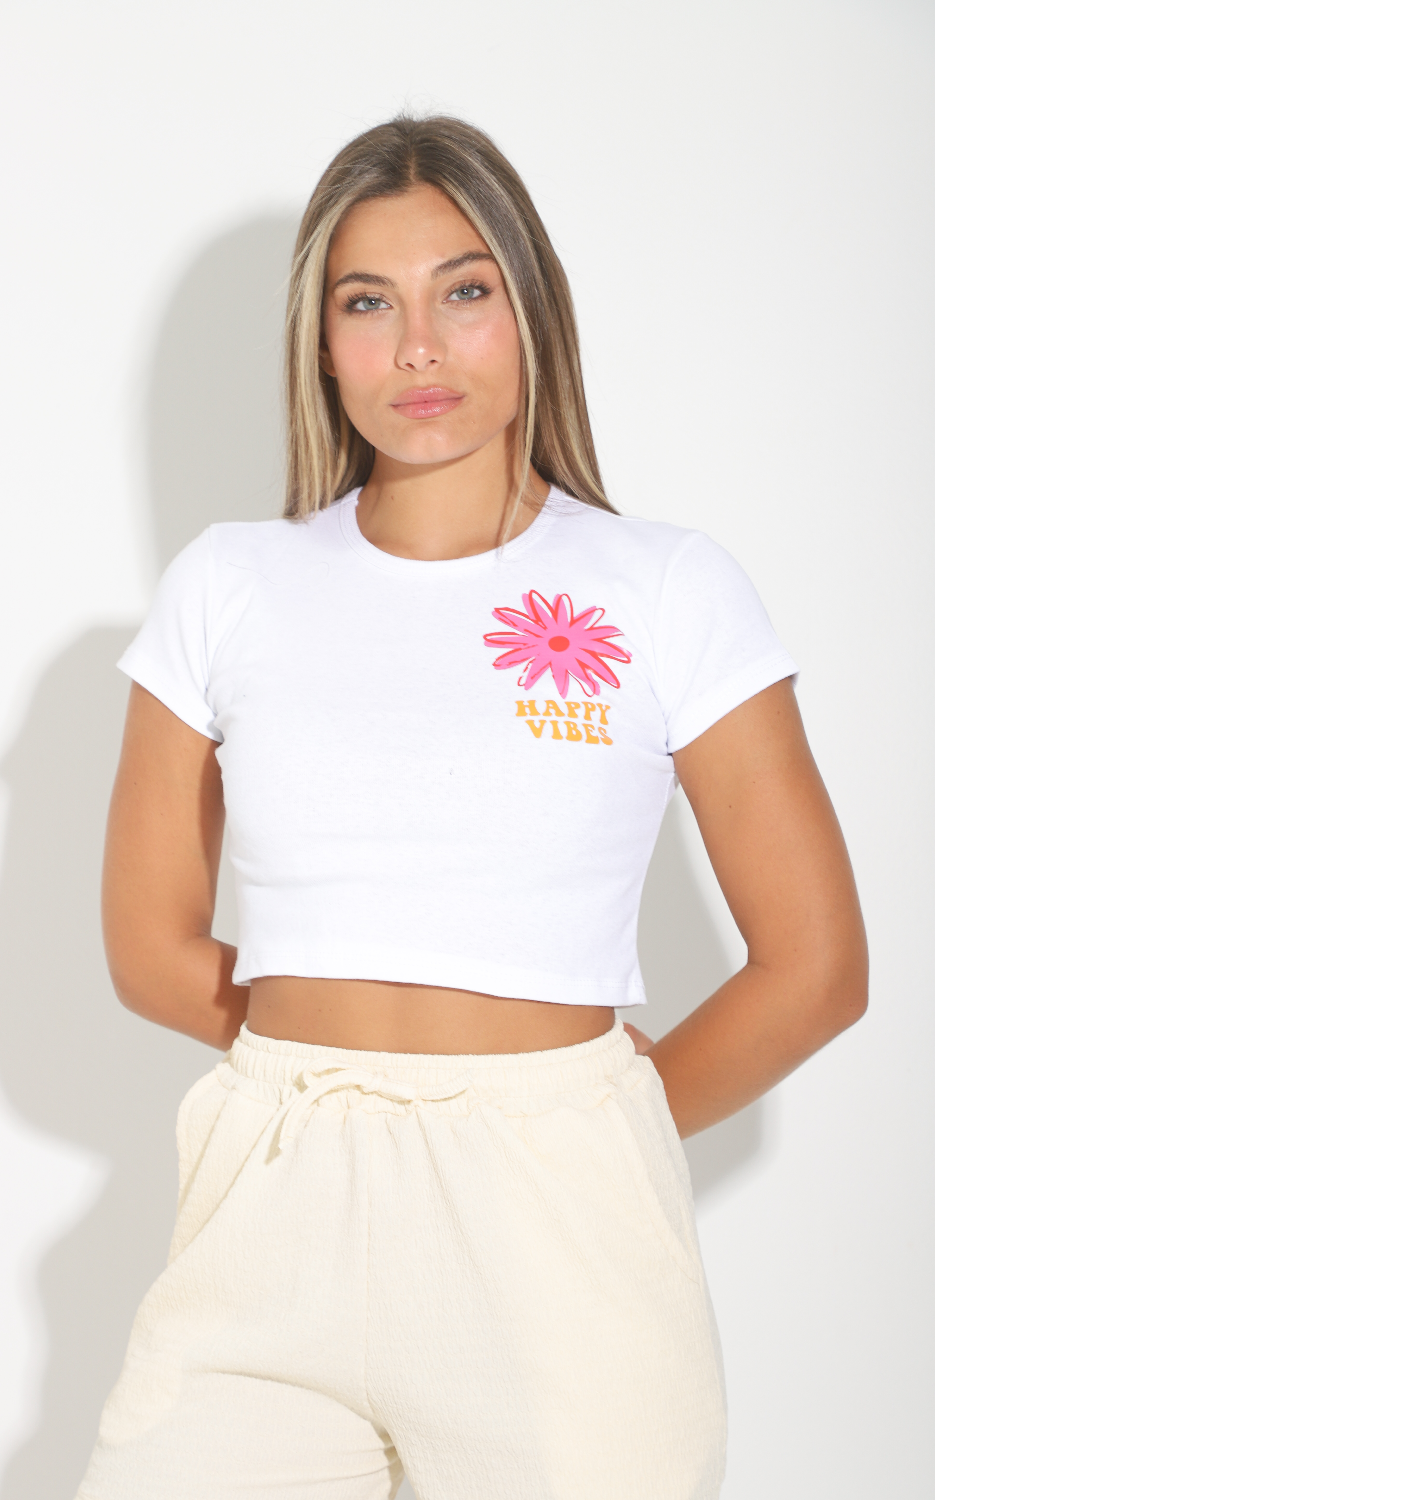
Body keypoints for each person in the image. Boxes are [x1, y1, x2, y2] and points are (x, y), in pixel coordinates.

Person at [77, 115, 866, 1500]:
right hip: (272, 1205)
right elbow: (148, 946)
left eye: (464, 291)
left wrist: (588, 1120)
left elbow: (817, 967)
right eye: (367, 304)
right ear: (323, 345)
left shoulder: (663, 589)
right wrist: (333, 1060)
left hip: (560, 1232)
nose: (418, 348)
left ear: (531, 309)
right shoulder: (230, 585)